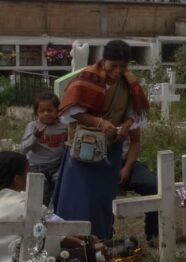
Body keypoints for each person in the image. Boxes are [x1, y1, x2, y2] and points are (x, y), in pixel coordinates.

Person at [52, 39, 150, 241]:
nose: (117, 70)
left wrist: (126, 125)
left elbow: (135, 112)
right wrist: (98, 122)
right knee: (78, 199)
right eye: (113, 65)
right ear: (104, 61)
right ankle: (71, 243)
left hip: (110, 152)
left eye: (122, 66)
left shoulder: (130, 83)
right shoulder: (87, 78)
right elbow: (70, 110)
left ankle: (101, 241)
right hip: (82, 150)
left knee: (101, 201)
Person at [20, 91, 66, 206]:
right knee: (41, 197)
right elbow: (23, 149)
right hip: (36, 167)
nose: (46, 114)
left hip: (57, 166)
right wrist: (35, 137)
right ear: (36, 113)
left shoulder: (64, 127)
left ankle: (57, 219)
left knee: (60, 195)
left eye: (49, 110)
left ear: (57, 111)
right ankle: (39, 220)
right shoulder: (32, 127)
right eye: (42, 111)